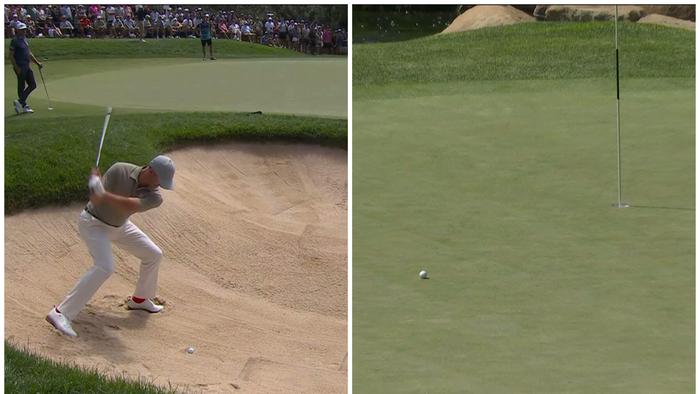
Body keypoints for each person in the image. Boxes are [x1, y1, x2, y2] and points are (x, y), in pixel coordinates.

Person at [46, 155, 176, 338]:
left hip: (120, 225)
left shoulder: (155, 197)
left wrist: (103, 193)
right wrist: (94, 187)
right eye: (159, 181)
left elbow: (128, 205)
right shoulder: (119, 169)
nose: (159, 186)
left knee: (153, 254)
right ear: (150, 170)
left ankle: (140, 299)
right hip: (93, 223)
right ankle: (60, 313)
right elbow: (96, 200)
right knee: (104, 267)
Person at [9, 22, 43, 115]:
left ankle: (20, 102)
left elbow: (29, 53)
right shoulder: (14, 40)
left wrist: (37, 63)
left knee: (33, 84)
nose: (24, 31)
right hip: (20, 66)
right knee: (21, 86)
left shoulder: (24, 39)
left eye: (25, 29)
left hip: (27, 66)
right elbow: (11, 56)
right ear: (18, 30)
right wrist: (16, 68)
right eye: (22, 29)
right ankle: (23, 106)